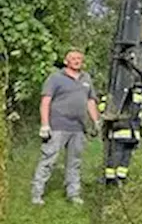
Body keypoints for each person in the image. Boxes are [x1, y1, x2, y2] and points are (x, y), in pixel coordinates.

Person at [32, 49, 101, 206]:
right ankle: (37, 194)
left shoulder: (86, 78)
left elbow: (90, 101)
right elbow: (45, 101)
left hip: (78, 128)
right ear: (66, 61)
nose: (77, 61)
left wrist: (96, 121)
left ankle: (73, 194)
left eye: (79, 58)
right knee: (49, 159)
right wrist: (44, 124)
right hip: (57, 126)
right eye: (73, 58)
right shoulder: (55, 78)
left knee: (74, 162)